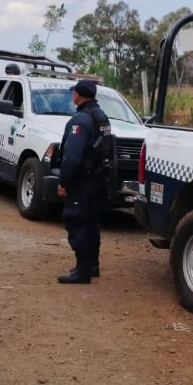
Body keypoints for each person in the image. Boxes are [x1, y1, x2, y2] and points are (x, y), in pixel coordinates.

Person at [56, 80, 113, 284]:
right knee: (92, 223)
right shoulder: (101, 117)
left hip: (83, 181)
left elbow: (72, 156)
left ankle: (82, 270)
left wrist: (64, 181)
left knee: (77, 221)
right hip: (99, 179)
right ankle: (92, 265)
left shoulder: (79, 120)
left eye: (74, 93)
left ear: (78, 95)